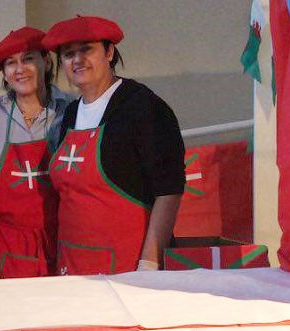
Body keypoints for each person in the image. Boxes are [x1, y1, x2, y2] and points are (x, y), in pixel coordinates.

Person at [44, 16, 185, 275]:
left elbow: (169, 191)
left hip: (127, 265)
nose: (77, 60)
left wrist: (149, 264)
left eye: (87, 49)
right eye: (68, 54)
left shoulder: (144, 107)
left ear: (109, 52)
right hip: (72, 261)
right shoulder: (71, 113)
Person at [0, 27, 74, 278]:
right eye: (11, 63)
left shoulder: (72, 109)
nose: (19, 69)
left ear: (45, 61)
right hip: (5, 239)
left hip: (58, 234)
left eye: (28, 58)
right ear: (4, 74)